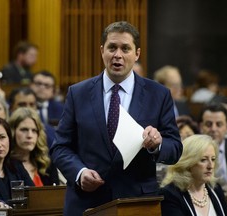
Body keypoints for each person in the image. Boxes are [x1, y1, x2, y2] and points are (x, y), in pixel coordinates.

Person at [50, 21, 182, 215]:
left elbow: (175, 148)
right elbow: (60, 147)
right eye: (112, 47)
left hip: (136, 202)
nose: (117, 55)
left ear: (137, 54)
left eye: (125, 49)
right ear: (102, 50)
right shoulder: (78, 93)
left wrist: (158, 144)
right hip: (87, 202)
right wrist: (80, 173)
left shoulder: (158, 94)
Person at [160, 134, 227, 216]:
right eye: (203, 160)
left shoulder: (215, 189)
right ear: (188, 162)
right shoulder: (171, 194)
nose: (210, 166)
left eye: (213, 159)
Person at [8, 107, 59, 186]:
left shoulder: (46, 164)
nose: (29, 135)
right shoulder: (4, 165)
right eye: (24, 130)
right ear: (12, 131)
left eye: (34, 130)